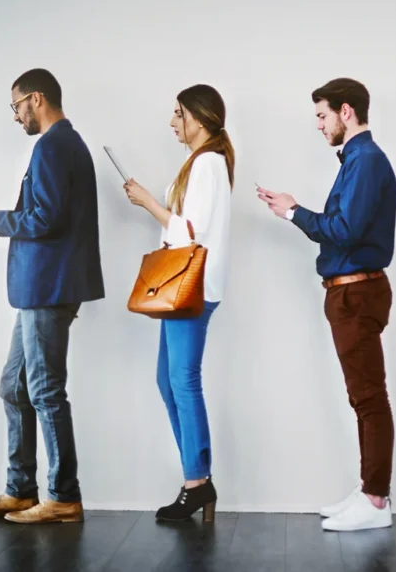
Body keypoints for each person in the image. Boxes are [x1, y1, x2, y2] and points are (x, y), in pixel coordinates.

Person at [257, 78, 396, 532]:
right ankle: (370, 491)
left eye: (322, 116)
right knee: (363, 397)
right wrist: (294, 209)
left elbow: (345, 229)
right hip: (349, 291)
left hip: (356, 292)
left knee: (369, 398)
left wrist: (295, 212)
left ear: (346, 112)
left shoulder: (367, 160)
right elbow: (344, 224)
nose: (319, 126)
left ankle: (375, 501)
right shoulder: (358, 160)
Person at [0, 68, 104, 524]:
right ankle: (20, 490)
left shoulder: (52, 145)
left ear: (36, 99)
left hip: (48, 286)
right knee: (14, 386)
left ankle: (63, 495)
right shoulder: (66, 143)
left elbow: (45, 219)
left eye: (16, 105)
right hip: (41, 289)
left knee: (45, 390)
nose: (15, 115)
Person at [122, 84, 234, 523]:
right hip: (192, 287)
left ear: (199, 118)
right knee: (169, 381)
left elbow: (192, 231)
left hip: (193, 288)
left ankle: (197, 483)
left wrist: (148, 202)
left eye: (178, 114)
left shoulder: (207, 162)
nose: (172, 123)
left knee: (182, 382)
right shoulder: (203, 162)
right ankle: (197, 480)